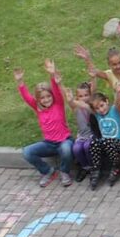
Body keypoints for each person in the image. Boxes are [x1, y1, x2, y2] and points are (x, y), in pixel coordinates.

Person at [14, 59, 73, 187]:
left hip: (64, 141)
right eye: (42, 98)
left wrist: (52, 74)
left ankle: (64, 172)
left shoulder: (58, 103)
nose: (46, 100)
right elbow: (26, 97)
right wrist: (20, 81)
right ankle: (48, 171)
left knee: (67, 149)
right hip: (49, 144)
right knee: (27, 152)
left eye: (48, 96)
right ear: (38, 99)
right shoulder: (37, 108)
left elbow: (57, 91)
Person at [87, 86, 120, 189]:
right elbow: (88, 105)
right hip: (106, 144)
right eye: (97, 108)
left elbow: (117, 102)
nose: (101, 109)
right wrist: (71, 100)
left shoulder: (114, 110)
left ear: (107, 101)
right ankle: (96, 169)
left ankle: (116, 166)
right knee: (94, 142)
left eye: (102, 105)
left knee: (105, 142)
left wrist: (118, 92)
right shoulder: (97, 115)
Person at [64, 81, 94, 182]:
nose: (84, 98)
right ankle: (85, 167)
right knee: (76, 149)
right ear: (77, 98)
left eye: (86, 95)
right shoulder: (76, 108)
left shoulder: (92, 106)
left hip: (92, 135)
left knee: (87, 147)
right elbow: (70, 102)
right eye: (80, 96)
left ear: (90, 95)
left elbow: (87, 107)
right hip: (82, 135)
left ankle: (93, 167)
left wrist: (93, 78)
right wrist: (70, 99)